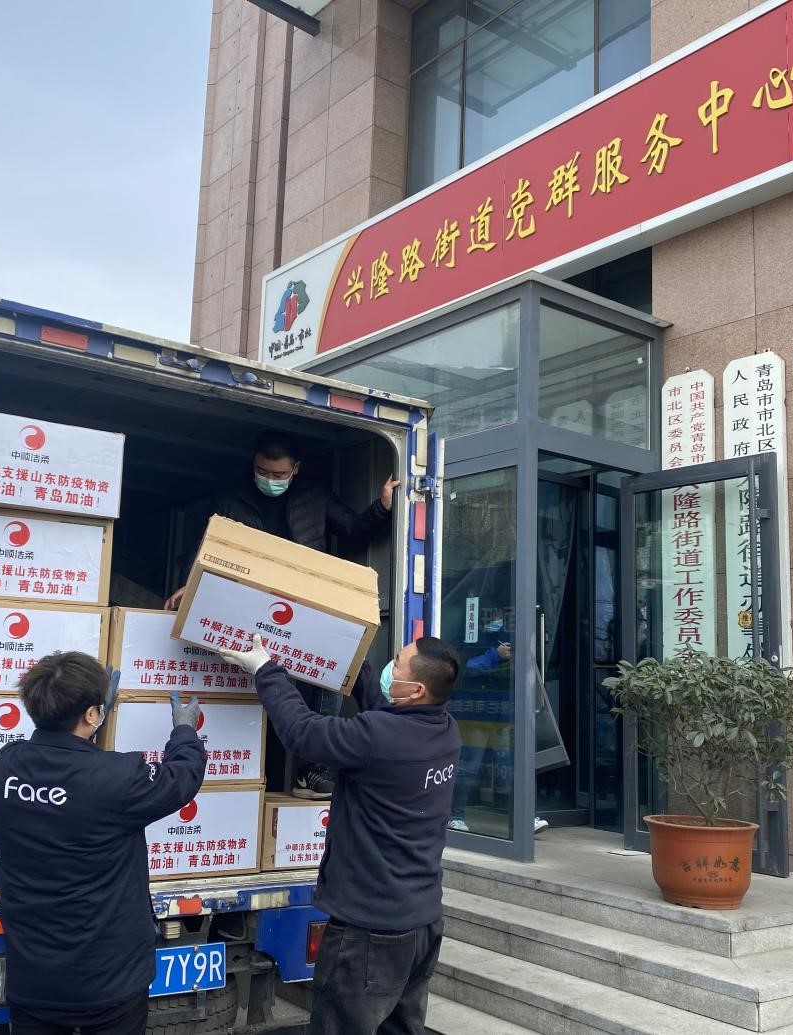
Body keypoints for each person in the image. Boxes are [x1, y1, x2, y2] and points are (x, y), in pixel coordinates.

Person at [218, 633, 461, 1035]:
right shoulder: (444, 730)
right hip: (422, 923)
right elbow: (383, 712)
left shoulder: (378, 736)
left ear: (416, 689)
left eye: (398, 663)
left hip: (370, 931)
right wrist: (350, 651)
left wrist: (264, 669)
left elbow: (303, 731)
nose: (391, 667)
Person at [166, 429, 399, 800]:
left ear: (296, 469)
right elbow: (207, 548)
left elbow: (353, 528)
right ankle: (261, 777)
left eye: (278, 474)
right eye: (262, 471)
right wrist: (188, 585)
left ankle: (321, 767)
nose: (269, 479)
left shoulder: (314, 497)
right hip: (251, 608)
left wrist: (382, 506)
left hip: (305, 606)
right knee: (268, 689)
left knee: (341, 670)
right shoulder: (231, 499)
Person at [0, 651, 206, 1035]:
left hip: (33, 977)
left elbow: (72, 776)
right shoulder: (118, 778)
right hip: (108, 982)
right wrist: (185, 732)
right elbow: (181, 778)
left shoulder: (5, 766)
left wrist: (90, 722)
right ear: (91, 713)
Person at [447, 608, 548, 835]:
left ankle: (524, 818)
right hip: (476, 713)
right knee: (470, 765)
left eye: (500, 616)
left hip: (505, 711)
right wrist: (496, 656)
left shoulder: (511, 634)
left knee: (513, 765)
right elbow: (468, 667)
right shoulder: (469, 634)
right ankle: (456, 816)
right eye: (492, 615)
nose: (496, 619)